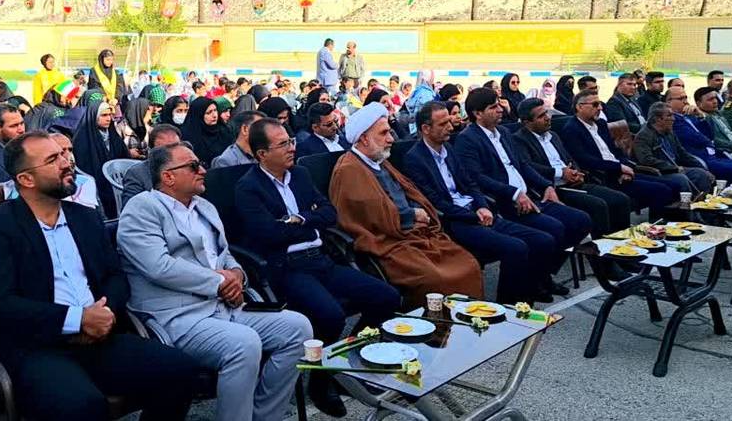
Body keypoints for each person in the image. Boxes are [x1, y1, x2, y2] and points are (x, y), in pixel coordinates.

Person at [0, 132, 197, 421]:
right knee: (82, 406)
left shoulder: (84, 217)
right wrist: (77, 319)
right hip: (39, 346)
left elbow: (115, 276)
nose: (67, 163)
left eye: (64, 154)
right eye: (53, 159)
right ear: (26, 179)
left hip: (100, 337)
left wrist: (104, 314)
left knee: (181, 370)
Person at [118, 142, 313, 421]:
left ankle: (264, 416)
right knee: (244, 344)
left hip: (225, 306)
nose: (203, 170)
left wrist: (237, 275)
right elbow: (158, 267)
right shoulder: (142, 208)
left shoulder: (204, 206)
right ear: (168, 176)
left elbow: (224, 254)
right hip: (177, 316)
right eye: (193, 166)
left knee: (298, 328)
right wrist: (218, 282)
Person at [235, 118, 400, 416]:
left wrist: (298, 220)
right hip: (288, 268)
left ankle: (345, 366)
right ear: (262, 154)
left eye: (291, 141)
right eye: (283, 144)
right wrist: (307, 223)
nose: (292, 148)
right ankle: (321, 381)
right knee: (330, 316)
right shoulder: (248, 187)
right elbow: (267, 234)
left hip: (321, 259)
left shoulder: (300, 174)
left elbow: (329, 213)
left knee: (387, 297)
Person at [404, 102, 559, 303]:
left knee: (542, 240)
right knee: (516, 248)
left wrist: (482, 206)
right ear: (426, 128)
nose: (450, 127)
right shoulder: (414, 159)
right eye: (443, 124)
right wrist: (474, 215)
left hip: (477, 211)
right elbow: (435, 201)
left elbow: (470, 183)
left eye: (449, 122)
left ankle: (530, 293)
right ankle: (509, 305)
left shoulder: (448, 148)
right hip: (455, 221)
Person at [330, 102, 483, 302]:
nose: (391, 139)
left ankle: (471, 318)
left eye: (389, 132)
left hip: (415, 233)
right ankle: (430, 320)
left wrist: (419, 211)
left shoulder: (379, 160)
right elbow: (370, 215)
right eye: (384, 133)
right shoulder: (349, 169)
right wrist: (412, 215)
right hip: (389, 241)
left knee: (469, 264)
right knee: (435, 278)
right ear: (364, 138)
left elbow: (409, 194)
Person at [454, 89, 591, 293]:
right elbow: (477, 178)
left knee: (581, 220)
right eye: (493, 107)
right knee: (552, 229)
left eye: (499, 105)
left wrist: (546, 185)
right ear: (477, 113)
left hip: (530, 196)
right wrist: (513, 193)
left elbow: (522, 165)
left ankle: (541, 275)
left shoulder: (504, 133)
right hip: (505, 202)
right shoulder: (467, 139)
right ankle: (537, 281)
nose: (500, 110)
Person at [513, 98, 633, 237]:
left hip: (574, 182)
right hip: (554, 188)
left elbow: (569, 158)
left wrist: (576, 172)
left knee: (621, 199)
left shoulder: (553, 135)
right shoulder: (519, 140)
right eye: (541, 116)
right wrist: (561, 173)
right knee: (598, 206)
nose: (547, 118)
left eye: (546, 113)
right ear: (527, 122)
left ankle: (624, 243)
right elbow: (529, 166)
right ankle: (602, 248)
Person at [559, 90, 679, 217]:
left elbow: (615, 151)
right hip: (604, 176)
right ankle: (656, 226)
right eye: (595, 105)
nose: (600, 108)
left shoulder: (601, 124)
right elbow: (586, 160)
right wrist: (619, 168)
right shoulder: (571, 129)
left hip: (621, 172)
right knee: (662, 190)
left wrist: (625, 167)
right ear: (579, 107)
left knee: (675, 186)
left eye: (600, 104)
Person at [667, 87, 732, 187]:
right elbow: (698, 138)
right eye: (681, 98)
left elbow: (709, 135)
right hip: (701, 158)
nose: (685, 101)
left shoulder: (690, 116)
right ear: (668, 102)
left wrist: (701, 117)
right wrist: (710, 142)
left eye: (686, 97)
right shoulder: (672, 120)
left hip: (715, 154)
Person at [633, 103, 715, 193]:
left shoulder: (670, 133)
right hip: (660, 172)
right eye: (669, 115)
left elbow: (683, 154)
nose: (673, 119)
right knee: (681, 179)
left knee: (701, 174)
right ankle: (686, 201)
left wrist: (704, 169)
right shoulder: (643, 136)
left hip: (675, 168)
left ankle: (704, 200)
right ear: (658, 119)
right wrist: (673, 168)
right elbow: (646, 160)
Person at [72, 101, 130, 218]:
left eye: (110, 115)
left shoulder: (113, 136)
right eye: (104, 115)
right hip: (96, 185)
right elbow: (85, 167)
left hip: (117, 183)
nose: (108, 119)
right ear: (94, 117)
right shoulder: (82, 139)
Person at [121, 124, 182, 204]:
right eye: (165, 149)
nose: (171, 152)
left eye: (175, 147)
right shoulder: (137, 174)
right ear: (152, 150)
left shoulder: (188, 168)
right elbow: (131, 206)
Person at [181, 96, 233, 167]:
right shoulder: (189, 136)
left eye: (215, 110)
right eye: (209, 112)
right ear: (199, 115)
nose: (214, 115)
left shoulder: (224, 131)